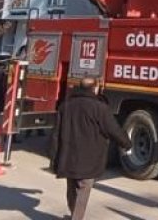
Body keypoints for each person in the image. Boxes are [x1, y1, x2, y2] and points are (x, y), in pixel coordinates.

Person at [49, 77, 131, 219]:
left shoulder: (65, 106)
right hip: (89, 158)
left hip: (68, 157)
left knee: (72, 188)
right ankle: (76, 217)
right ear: (95, 88)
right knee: (83, 190)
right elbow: (113, 130)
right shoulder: (100, 108)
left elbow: (55, 134)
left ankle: (73, 215)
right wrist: (127, 143)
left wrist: (53, 156)